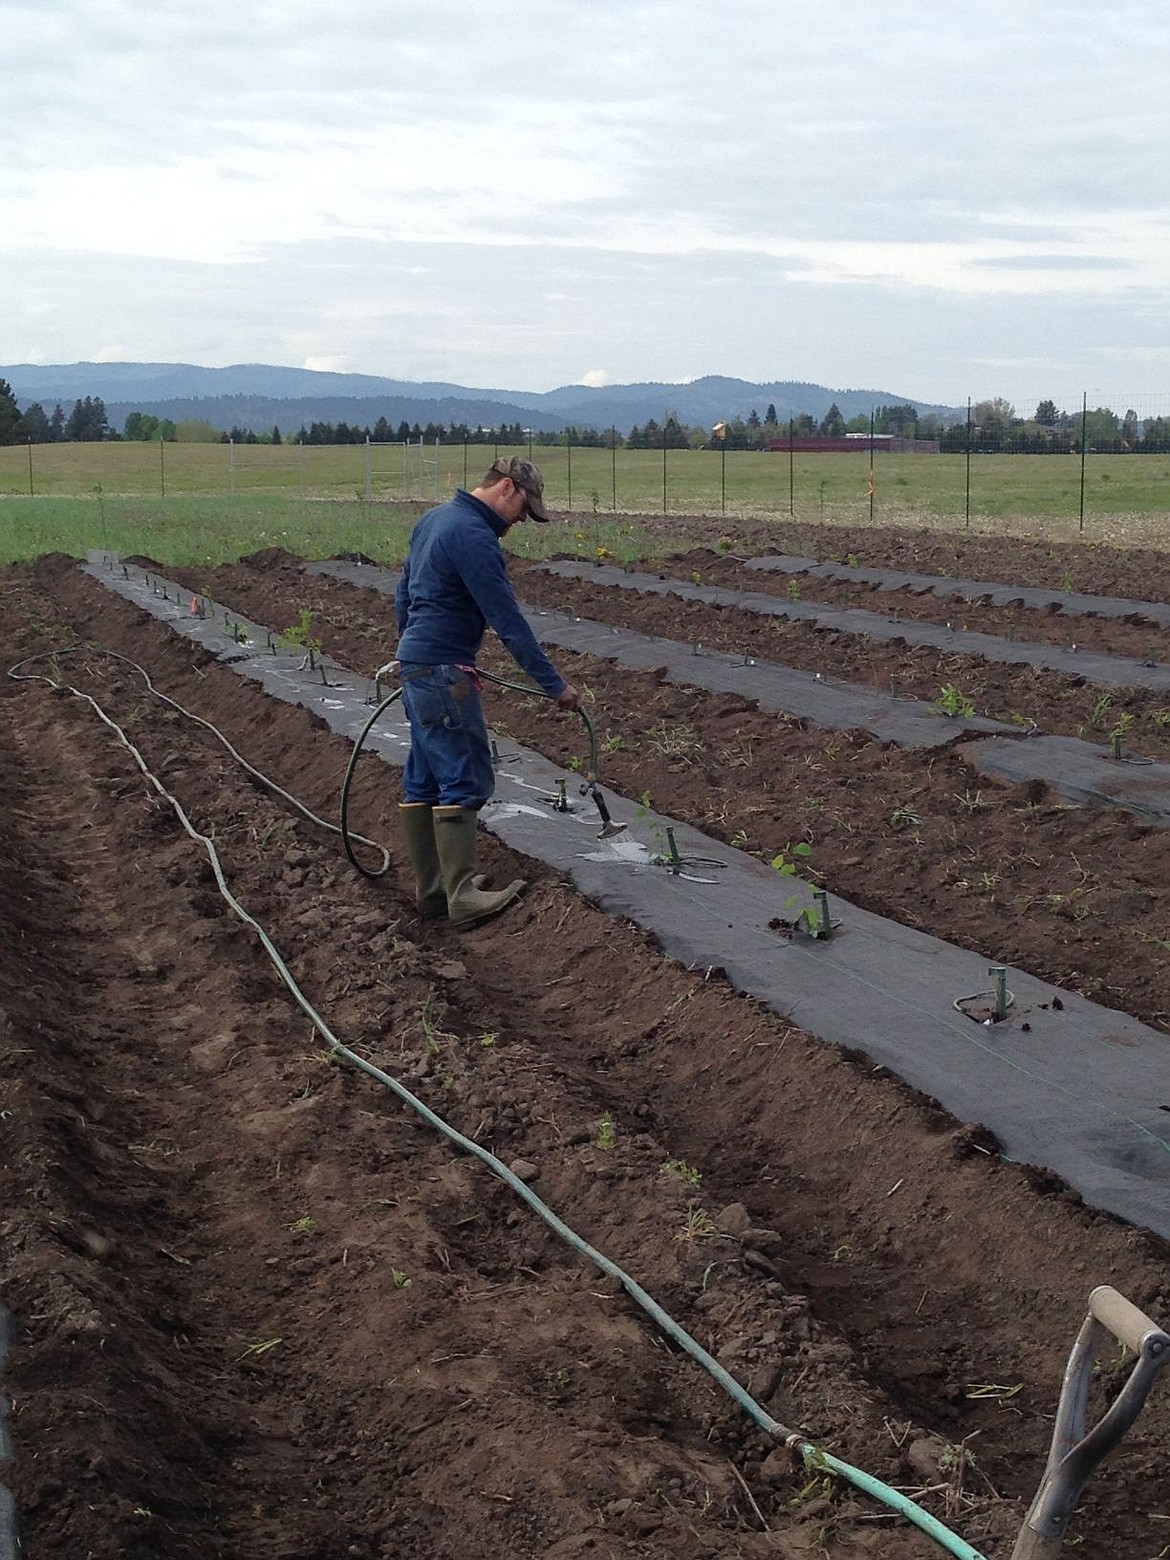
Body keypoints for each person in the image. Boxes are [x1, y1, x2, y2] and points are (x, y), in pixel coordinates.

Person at [393, 456, 582, 930]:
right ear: (505, 487)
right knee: (462, 772)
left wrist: (410, 652)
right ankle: (462, 895)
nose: (521, 521)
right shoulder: (475, 537)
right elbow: (508, 621)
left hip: (417, 664)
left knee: (423, 774)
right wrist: (554, 685)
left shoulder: (434, 519)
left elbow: (404, 595)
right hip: (443, 669)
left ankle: (432, 891)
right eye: (523, 508)